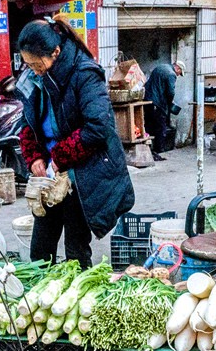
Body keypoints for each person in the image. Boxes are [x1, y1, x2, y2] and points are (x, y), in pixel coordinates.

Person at [16, 17, 135, 268]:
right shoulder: (35, 78)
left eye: (37, 64)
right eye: (29, 65)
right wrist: (35, 156)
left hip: (80, 173)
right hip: (50, 175)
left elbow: (98, 127)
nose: (34, 70)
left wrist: (59, 158)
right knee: (40, 249)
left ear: (56, 52)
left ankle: (80, 298)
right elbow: (27, 121)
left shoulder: (84, 73)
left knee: (76, 250)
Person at [143, 59, 185, 161]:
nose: (179, 75)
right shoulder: (171, 74)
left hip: (147, 100)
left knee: (148, 125)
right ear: (178, 68)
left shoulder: (160, 67)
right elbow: (170, 92)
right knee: (160, 126)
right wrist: (169, 104)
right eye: (180, 73)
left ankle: (147, 149)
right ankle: (159, 150)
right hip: (158, 103)